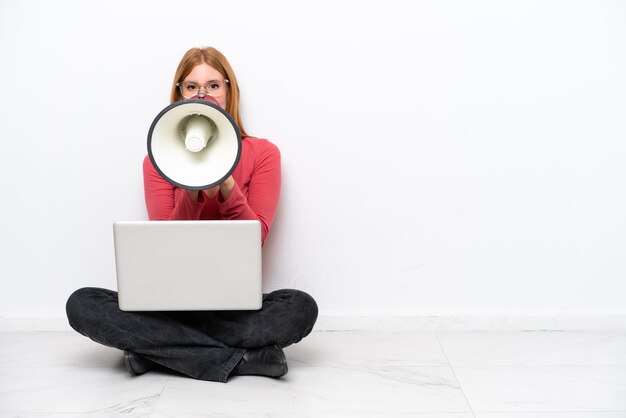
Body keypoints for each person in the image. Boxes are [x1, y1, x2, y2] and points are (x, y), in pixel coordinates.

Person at [65, 47, 318, 383]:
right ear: (179, 94)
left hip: (233, 306)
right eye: (192, 86)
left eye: (213, 85)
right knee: (82, 303)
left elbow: (254, 239)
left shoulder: (262, 154)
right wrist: (193, 187)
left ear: (229, 92)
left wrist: (226, 185)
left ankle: (155, 352)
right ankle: (244, 359)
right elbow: (168, 243)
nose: (203, 94)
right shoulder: (157, 162)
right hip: (170, 304)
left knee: (300, 306)